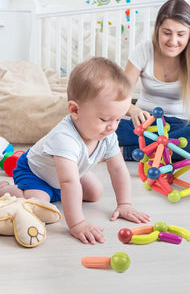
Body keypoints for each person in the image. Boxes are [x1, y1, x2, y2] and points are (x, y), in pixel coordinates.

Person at [0, 57, 150, 244]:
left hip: (68, 173)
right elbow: (69, 182)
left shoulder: (107, 134)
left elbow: (118, 169)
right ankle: (8, 187)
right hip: (36, 173)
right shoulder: (64, 138)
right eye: (105, 119)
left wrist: (125, 204)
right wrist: (77, 223)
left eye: (118, 119)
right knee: (38, 202)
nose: (112, 126)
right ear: (74, 110)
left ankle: (56, 194)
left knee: (95, 192)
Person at [116, 0, 190, 161]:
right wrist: (133, 110)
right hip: (144, 124)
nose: (173, 41)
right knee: (101, 126)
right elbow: (119, 96)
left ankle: (128, 152)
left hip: (180, 126)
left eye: (180, 34)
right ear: (158, 30)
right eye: (167, 33)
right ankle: (175, 152)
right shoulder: (143, 51)